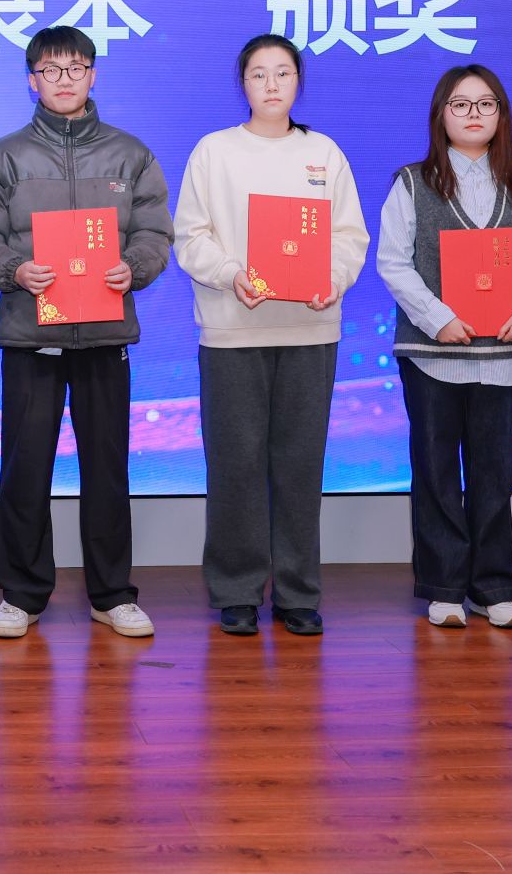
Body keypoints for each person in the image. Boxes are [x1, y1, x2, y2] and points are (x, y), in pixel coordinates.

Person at [0, 25, 173, 640]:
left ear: (92, 75)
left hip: (105, 335)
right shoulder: (4, 157)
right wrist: (14, 269)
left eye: (75, 68)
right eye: (51, 70)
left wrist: (132, 267)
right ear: (32, 80)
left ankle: (112, 594)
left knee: (107, 469)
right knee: (25, 468)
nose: (64, 79)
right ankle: (21, 594)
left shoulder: (130, 154)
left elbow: (154, 233)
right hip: (31, 336)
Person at [174, 34, 369, 637]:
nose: (271, 84)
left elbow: (349, 236)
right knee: (234, 463)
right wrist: (231, 274)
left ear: (298, 82)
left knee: (299, 464)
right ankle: (236, 589)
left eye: (283, 72)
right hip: (233, 331)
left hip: (310, 329)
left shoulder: (323, 153)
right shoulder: (214, 151)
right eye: (259, 74)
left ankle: (297, 591)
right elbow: (191, 236)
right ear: (243, 84)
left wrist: (332, 280)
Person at [377, 66, 512, 630]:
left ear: (502, 114)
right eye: (460, 104)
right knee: (436, 471)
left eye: (486, 104)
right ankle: (444, 587)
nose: (474, 114)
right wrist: (438, 319)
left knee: (494, 473)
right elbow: (393, 262)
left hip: (504, 354)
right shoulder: (412, 182)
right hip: (433, 352)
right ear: (441, 115)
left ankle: (494, 588)